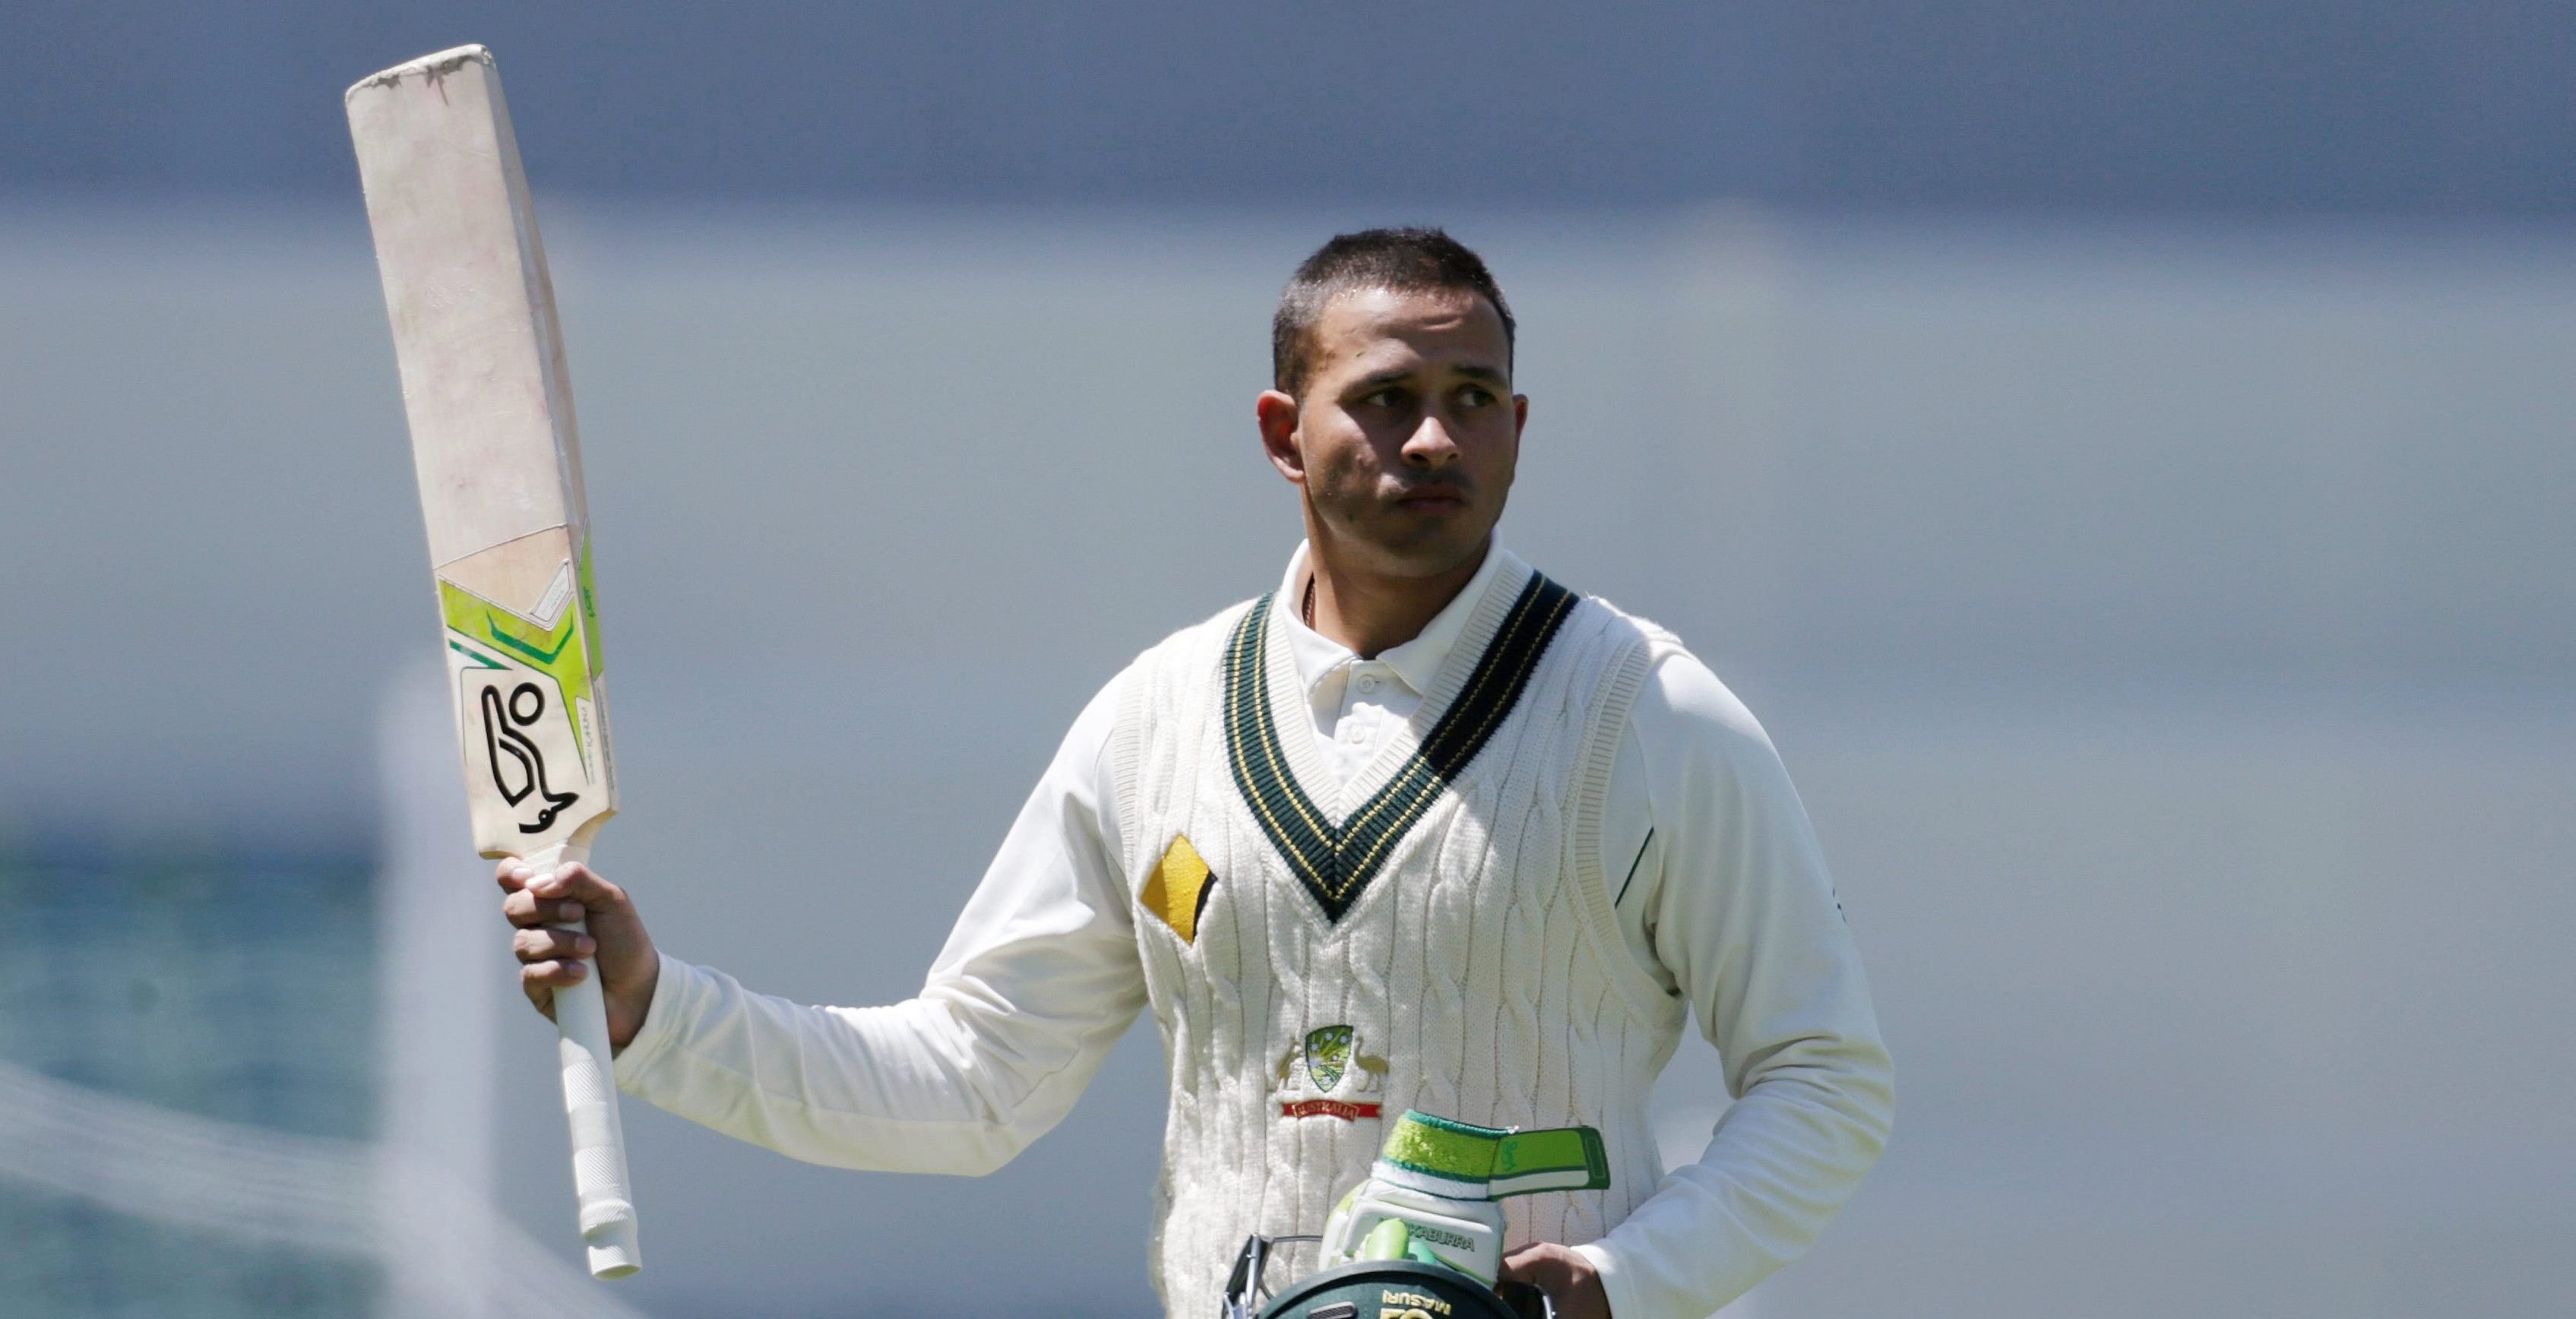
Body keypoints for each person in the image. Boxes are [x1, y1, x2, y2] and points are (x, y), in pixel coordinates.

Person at [498, 228, 1893, 1318]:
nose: (1432, 439)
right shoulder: (1153, 719)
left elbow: (1825, 1075)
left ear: (1518, 431)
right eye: (1386, 398)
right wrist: (651, 1011)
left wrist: (1628, 1287)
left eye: (1472, 400)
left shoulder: (1648, 711)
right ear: (1283, 433)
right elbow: (972, 1079)